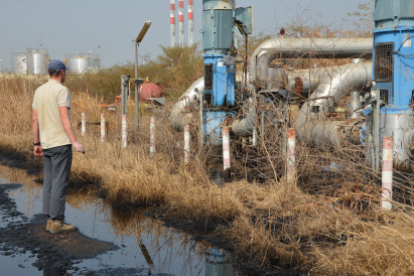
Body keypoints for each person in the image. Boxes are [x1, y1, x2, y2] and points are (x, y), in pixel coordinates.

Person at [32, 60, 85, 235]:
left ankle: (49, 218)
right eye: (65, 72)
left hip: (46, 143)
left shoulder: (39, 91)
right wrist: (75, 141)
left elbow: (35, 120)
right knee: (59, 182)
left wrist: (36, 143)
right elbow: (64, 118)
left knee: (49, 180)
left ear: (50, 73)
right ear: (62, 72)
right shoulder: (62, 90)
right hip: (60, 143)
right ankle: (56, 222)